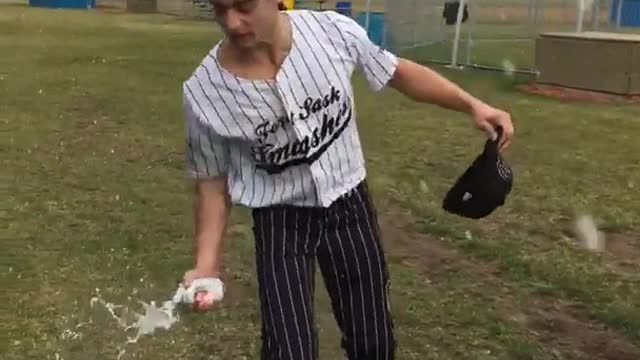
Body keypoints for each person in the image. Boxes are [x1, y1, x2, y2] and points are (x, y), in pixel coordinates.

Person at [180, 0, 514, 359]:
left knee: (373, 340)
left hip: (349, 205)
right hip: (280, 221)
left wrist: (471, 104)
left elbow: (398, 72)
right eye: (220, 8)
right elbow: (212, 183)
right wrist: (206, 263)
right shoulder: (204, 93)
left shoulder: (331, 32)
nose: (231, 22)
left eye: (243, 5)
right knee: (288, 350)